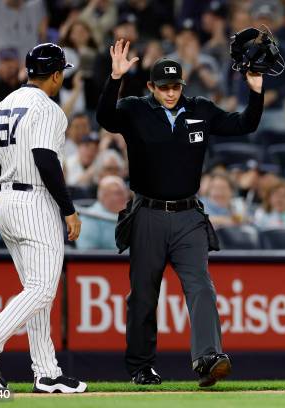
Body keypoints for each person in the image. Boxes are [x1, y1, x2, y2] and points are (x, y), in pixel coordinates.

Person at [96, 40, 263, 387]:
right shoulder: (134, 109)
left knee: (201, 286)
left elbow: (244, 124)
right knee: (143, 294)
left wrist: (256, 92)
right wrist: (114, 79)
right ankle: (141, 367)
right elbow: (105, 118)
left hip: (189, 215)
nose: (171, 93)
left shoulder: (200, 108)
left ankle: (207, 358)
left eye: (176, 86)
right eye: (164, 87)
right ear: (151, 87)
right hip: (148, 213)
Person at [0, 43, 86, 394]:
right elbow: (46, 160)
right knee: (42, 289)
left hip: (6, 201)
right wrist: (69, 209)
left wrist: (12, 172)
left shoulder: (2, 105)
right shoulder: (48, 108)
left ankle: (46, 372)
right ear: (58, 74)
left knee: (36, 291)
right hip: (35, 202)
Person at [77, 175, 129, 250]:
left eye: (125, 192)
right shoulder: (89, 217)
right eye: (118, 193)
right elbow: (88, 253)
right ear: (103, 196)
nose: (124, 197)